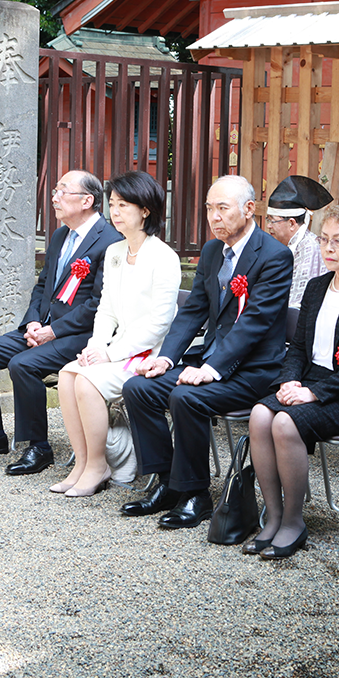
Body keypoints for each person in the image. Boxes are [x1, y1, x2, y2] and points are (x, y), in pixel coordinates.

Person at [120, 175, 293, 529]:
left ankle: (196, 494)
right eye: (209, 208)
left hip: (253, 370)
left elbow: (255, 323)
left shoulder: (275, 256)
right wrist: (166, 357)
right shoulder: (213, 250)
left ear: (249, 210)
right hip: (210, 361)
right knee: (139, 388)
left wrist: (211, 368)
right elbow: (193, 310)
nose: (214, 217)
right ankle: (166, 482)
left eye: (223, 208)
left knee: (187, 397)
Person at [245, 202, 339, 560]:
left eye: (338, 241)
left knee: (284, 422)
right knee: (259, 415)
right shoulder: (315, 288)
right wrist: (288, 381)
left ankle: (295, 522)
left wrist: (314, 392)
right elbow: (298, 347)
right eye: (324, 240)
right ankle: (274, 515)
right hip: (312, 382)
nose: (328, 248)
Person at [0, 170, 123, 473]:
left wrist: (53, 331)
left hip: (81, 335)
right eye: (55, 190)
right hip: (42, 327)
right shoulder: (60, 235)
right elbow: (43, 285)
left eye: (62, 191)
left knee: (24, 364)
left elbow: (99, 304)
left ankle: (38, 447)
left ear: (87, 200)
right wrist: (33, 322)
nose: (54, 198)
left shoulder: (110, 241)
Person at [50, 171, 182, 497]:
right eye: (113, 204)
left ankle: (98, 465)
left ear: (146, 210)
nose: (116, 212)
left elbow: (159, 324)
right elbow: (105, 309)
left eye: (124, 205)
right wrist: (95, 346)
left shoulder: (163, 257)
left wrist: (109, 353)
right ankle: (82, 463)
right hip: (116, 349)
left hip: (147, 355)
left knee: (86, 380)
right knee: (68, 374)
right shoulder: (115, 252)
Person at [264, 175, 331, 309]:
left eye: (272, 220)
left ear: (292, 223)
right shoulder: (283, 245)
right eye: (268, 219)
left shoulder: (309, 247)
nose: (268, 226)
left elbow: (297, 303)